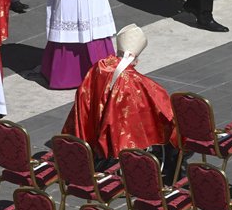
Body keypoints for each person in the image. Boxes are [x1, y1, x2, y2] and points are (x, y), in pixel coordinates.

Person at [62, 23, 174, 160]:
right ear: (136, 60)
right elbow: (163, 106)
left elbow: (84, 95)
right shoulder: (135, 80)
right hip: (120, 134)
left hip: (94, 124)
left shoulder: (100, 67)